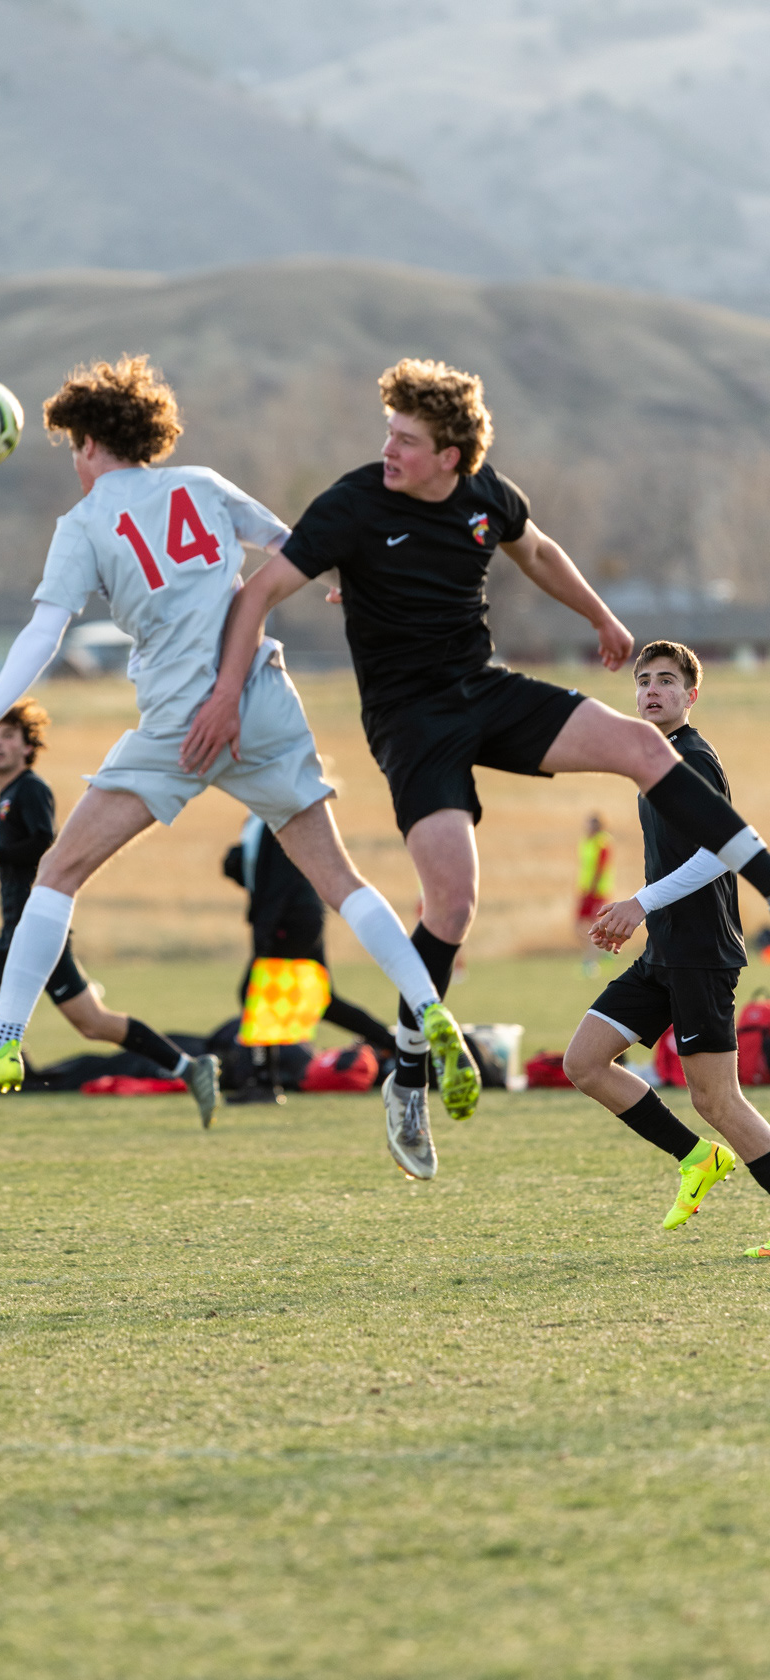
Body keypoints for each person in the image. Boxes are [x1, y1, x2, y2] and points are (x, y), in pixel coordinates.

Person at [179, 356, 770, 1177]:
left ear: (451, 457)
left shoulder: (486, 495)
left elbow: (540, 551)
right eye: (388, 433)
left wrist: (600, 616)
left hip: (483, 691)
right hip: (411, 723)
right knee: (453, 903)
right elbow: (257, 594)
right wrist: (225, 695)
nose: (389, 450)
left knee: (644, 749)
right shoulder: (353, 504)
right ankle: (407, 1077)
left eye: (406, 440)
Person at [0, 354, 479, 1179]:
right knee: (341, 879)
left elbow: (44, 631)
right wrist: (343, 584)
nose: (75, 464)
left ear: (89, 443)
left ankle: (4, 1043)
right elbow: (295, 545)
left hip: (179, 724)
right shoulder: (202, 484)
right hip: (263, 700)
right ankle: (432, 1010)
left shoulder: (84, 523)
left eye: (73, 448)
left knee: (58, 873)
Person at [0, 700, 220, 1159]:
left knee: (91, 1023)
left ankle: (189, 1068)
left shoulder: (30, 790)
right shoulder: (9, 794)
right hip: (14, 933)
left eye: (9, 737)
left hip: (36, 935)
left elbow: (46, 846)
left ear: (28, 748)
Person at [562, 641, 770, 1253]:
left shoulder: (692, 759)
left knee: (717, 1099)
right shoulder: (655, 760)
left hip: (701, 955)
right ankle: (697, 1158)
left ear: (690, 694)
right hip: (664, 952)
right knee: (584, 1063)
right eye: (644, 680)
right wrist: (636, 911)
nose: (652, 690)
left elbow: (720, 853)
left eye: (667, 681)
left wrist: (640, 903)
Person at [223, 813, 398, 1101]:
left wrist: (271, 926)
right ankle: (397, 1046)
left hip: (290, 918)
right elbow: (260, 873)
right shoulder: (255, 820)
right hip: (296, 916)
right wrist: (236, 863)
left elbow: (287, 874)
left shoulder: (277, 811)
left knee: (256, 993)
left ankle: (264, 1082)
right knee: (322, 1000)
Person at [576, 813, 615, 975]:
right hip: (585, 890)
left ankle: (590, 962)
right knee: (578, 926)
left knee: (593, 926)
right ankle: (603, 948)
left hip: (597, 891)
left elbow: (601, 868)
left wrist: (592, 889)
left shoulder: (603, 843)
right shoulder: (586, 841)